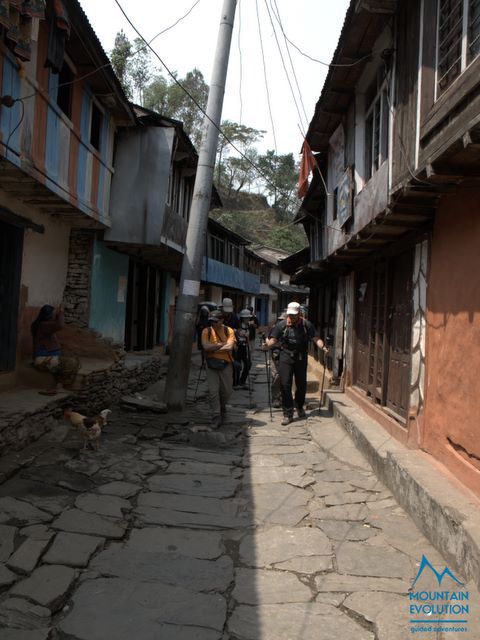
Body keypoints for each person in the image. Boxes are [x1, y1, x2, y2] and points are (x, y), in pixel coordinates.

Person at [264, 301, 327, 425]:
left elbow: (316, 338)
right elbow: (273, 339)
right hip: (285, 356)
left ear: (299, 313)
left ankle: (299, 406)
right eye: (290, 315)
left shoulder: (306, 325)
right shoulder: (281, 325)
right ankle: (288, 414)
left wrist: (323, 347)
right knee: (285, 385)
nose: (291, 317)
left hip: (300, 357)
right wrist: (266, 346)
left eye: (294, 315)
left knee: (301, 384)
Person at [31, 304, 79, 395]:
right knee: (71, 362)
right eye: (53, 314)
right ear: (48, 316)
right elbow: (60, 325)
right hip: (43, 359)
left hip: (48, 357)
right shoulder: (44, 325)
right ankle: (58, 387)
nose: (54, 315)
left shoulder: (43, 325)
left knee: (71, 358)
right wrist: (61, 313)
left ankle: (59, 385)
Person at [201, 310, 236, 429]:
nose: (213, 324)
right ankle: (216, 416)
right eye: (211, 321)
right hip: (211, 364)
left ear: (222, 320)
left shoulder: (228, 330)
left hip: (226, 364)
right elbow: (205, 346)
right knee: (213, 392)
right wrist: (222, 345)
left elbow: (230, 347)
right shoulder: (206, 331)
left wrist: (213, 348)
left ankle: (222, 406)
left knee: (226, 391)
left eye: (215, 321)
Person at [234, 309, 253, 390]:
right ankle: (236, 382)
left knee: (248, 364)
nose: (247, 319)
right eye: (246, 318)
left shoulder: (248, 326)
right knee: (238, 365)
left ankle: (242, 381)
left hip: (245, 347)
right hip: (238, 347)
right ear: (242, 318)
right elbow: (235, 335)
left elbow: (248, 337)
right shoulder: (238, 325)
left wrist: (250, 346)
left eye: (248, 318)